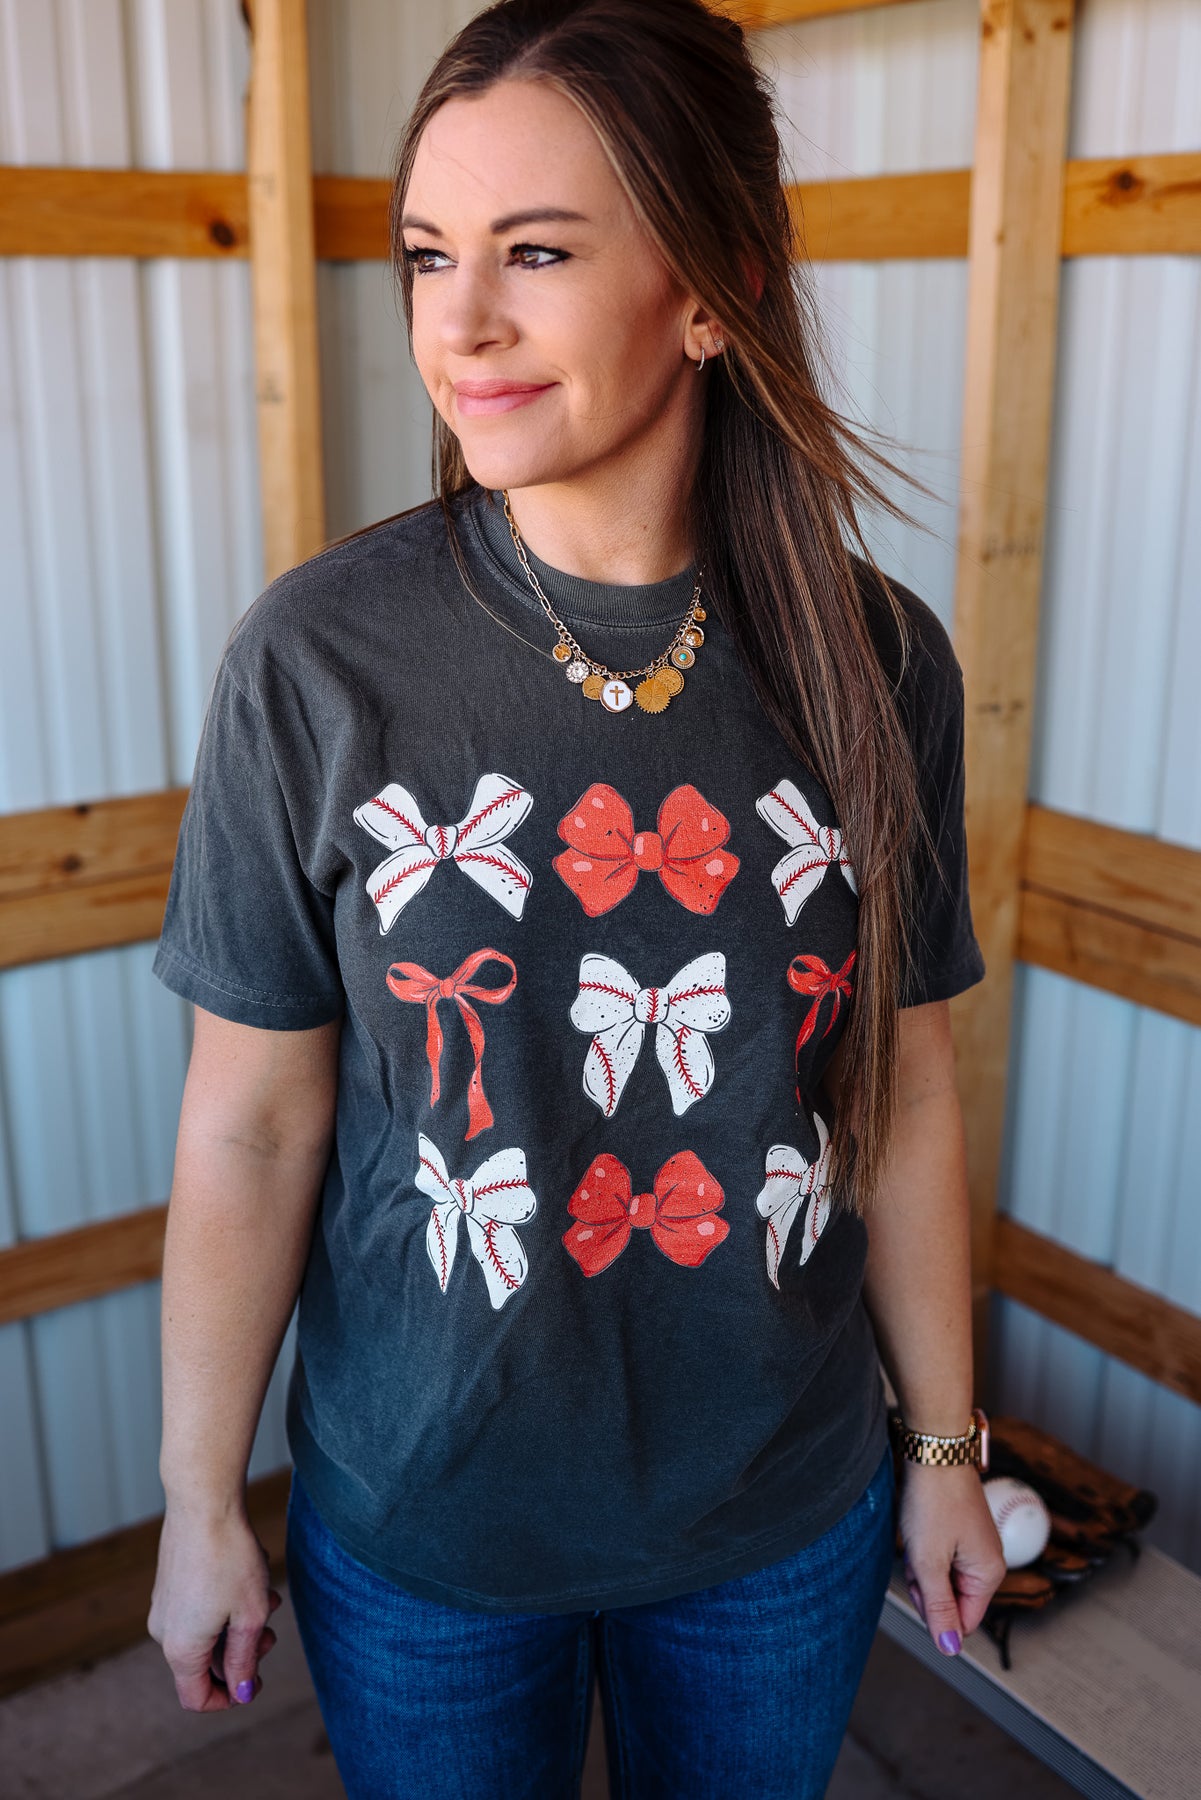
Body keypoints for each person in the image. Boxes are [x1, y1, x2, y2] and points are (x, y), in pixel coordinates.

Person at [146, 0, 1007, 1793]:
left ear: (713, 290)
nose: (457, 321)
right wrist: (195, 1496)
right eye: (427, 255)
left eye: (534, 253)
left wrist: (941, 1449)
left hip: (776, 1518)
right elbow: (252, 1122)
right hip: (428, 1533)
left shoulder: (874, 660)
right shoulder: (316, 662)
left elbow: (905, 1088)